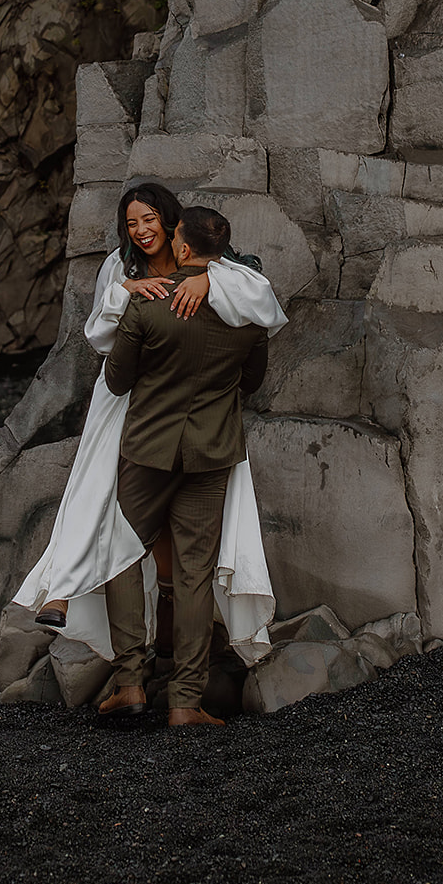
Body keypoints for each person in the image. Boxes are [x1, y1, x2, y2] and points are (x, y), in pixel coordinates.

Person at [13, 182, 285, 665]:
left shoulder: (214, 264)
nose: (140, 230)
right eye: (132, 222)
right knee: (97, 490)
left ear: (171, 223)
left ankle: (165, 626)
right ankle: (61, 587)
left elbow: (260, 298)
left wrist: (207, 281)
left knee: (163, 520)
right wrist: (125, 294)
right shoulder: (118, 268)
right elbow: (99, 335)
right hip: (127, 395)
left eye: (149, 220)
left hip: (190, 405)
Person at [98, 206, 268, 729]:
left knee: (122, 554)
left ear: (186, 249)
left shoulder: (148, 308)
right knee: (195, 575)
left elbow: (117, 381)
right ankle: (185, 703)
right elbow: (253, 382)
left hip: (147, 451)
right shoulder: (249, 313)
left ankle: (129, 681)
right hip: (211, 453)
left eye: (172, 234)